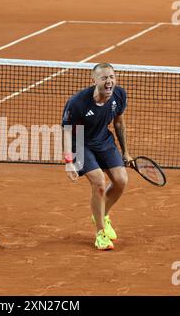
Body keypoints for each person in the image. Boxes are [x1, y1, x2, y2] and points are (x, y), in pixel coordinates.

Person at [62, 63, 133, 250]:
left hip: (103, 141)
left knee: (121, 181)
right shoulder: (77, 102)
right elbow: (68, 131)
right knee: (99, 182)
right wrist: (69, 161)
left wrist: (125, 151)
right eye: (104, 78)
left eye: (112, 77)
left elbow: (119, 124)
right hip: (80, 144)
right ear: (94, 80)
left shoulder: (119, 95)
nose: (109, 82)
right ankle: (100, 233)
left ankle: (102, 215)